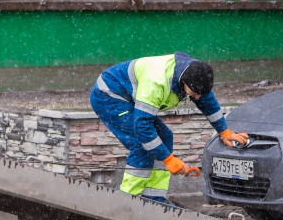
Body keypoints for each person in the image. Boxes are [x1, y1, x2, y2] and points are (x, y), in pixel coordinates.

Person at [90, 52, 249, 203]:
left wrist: (224, 131)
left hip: (129, 96)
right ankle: (126, 202)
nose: (198, 97)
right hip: (108, 95)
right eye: (194, 93)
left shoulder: (195, 75)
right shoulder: (156, 82)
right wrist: (168, 159)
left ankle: (155, 201)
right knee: (141, 144)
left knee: (165, 137)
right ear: (184, 82)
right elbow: (142, 128)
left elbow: (207, 103)